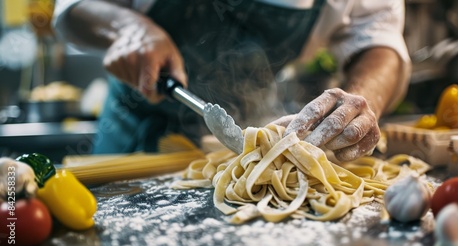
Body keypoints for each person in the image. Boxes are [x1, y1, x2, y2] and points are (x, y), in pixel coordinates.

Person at [53, 0, 410, 162]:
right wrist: (126, 27)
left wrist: (361, 101)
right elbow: (70, 10)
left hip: (248, 129)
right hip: (132, 134)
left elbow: (376, 36)